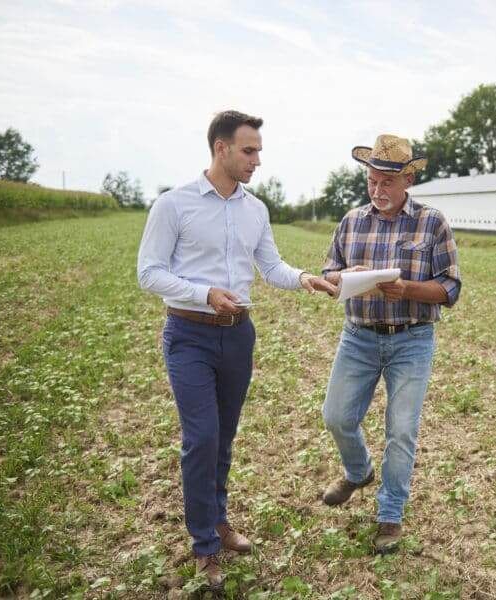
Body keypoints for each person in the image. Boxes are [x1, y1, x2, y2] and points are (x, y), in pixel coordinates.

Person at [137, 110, 335, 588]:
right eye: (249, 151)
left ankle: (219, 521)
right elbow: (149, 272)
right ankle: (204, 545)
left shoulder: (256, 209)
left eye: (259, 151)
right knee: (201, 437)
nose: (257, 160)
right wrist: (203, 293)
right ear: (221, 148)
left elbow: (271, 266)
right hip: (189, 335)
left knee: (223, 437)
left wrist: (304, 277)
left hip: (238, 335)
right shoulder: (174, 205)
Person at [320, 134, 461, 554]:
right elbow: (329, 273)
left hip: (411, 341)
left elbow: (451, 288)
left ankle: (390, 515)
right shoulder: (351, 221)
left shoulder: (432, 222)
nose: (378, 191)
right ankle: (359, 470)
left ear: (408, 180)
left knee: (401, 430)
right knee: (336, 417)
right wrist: (347, 278)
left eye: (387, 182)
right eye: (371, 182)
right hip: (359, 337)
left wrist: (407, 290)